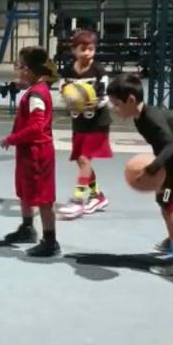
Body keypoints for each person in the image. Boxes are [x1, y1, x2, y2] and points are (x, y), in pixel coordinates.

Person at [108, 74, 173, 276]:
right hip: (172, 162)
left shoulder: (151, 117)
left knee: (169, 208)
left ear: (131, 100)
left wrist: (152, 169)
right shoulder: (139, 118)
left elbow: (171, 144)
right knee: (164, 202)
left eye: (117, 104)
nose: (114, 109)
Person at [0, 47, 59, 257]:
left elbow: (36, 127)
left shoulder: (37, 94)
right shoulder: (35, 89)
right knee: (25, 192)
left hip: (37, 152)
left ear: (31, 70)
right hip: (28, 151)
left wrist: (11, 139)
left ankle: (50, 240)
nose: (18, 70)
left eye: (21, 66)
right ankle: (27, 228)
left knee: (43, 199)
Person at [57, 30, 112, 219]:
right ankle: (97, 196)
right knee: (82, 161)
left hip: (98, 121)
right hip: (78, 121)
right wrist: (69, 100)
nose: (87, 52)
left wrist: (94, 102)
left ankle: (78, 200)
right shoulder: (68, 70)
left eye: (91, 49)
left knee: (84, 159)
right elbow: (62, 89)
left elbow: (104, 97)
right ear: (74, 50)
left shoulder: (99, 71)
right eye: (83, 49)